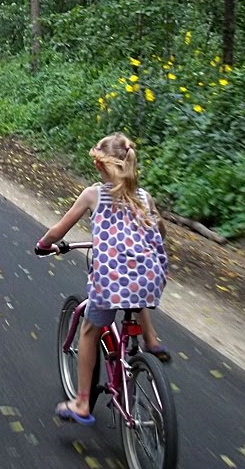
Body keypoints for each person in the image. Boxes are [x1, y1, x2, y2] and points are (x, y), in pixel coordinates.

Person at [35, 132, 169, 426]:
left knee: (88, 330)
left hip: (109, 283)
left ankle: (82, 403)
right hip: (149, 278)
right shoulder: (146, 198)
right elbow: (159, 233)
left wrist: (44, 244)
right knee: (132, 285)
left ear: (99, 165)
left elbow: (59, 230)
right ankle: (151, 340)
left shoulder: (93, 195)